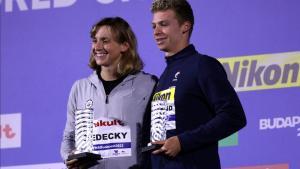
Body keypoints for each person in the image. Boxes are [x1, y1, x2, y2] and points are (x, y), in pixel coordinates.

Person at [148, 0, 247, 168]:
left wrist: (182, 142)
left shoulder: (203, 65)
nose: (156, 32)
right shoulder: (163, 76)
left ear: (185, 26)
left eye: (163, 24)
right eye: (154, 26)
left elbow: (233, 116)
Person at [60, 17, 157, 169]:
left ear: (124, 45)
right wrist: (70, 157)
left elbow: (158, 137)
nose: (97, 47)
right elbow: (69, 138)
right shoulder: (80, 88)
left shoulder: (148, 84)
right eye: (94, 40)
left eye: (105, 41)